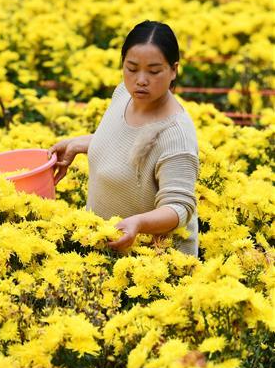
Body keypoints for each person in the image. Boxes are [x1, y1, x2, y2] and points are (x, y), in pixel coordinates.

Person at [48, 20, 199, 256]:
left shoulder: (175, 135)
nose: (141, 79)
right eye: (131, 68)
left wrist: (138, 224)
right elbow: (125, 142)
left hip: (151, 264)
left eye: (154, 70)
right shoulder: (123, 95)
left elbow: (179, 208)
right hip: (102, 244)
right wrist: (79, 143)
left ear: (174, 70)